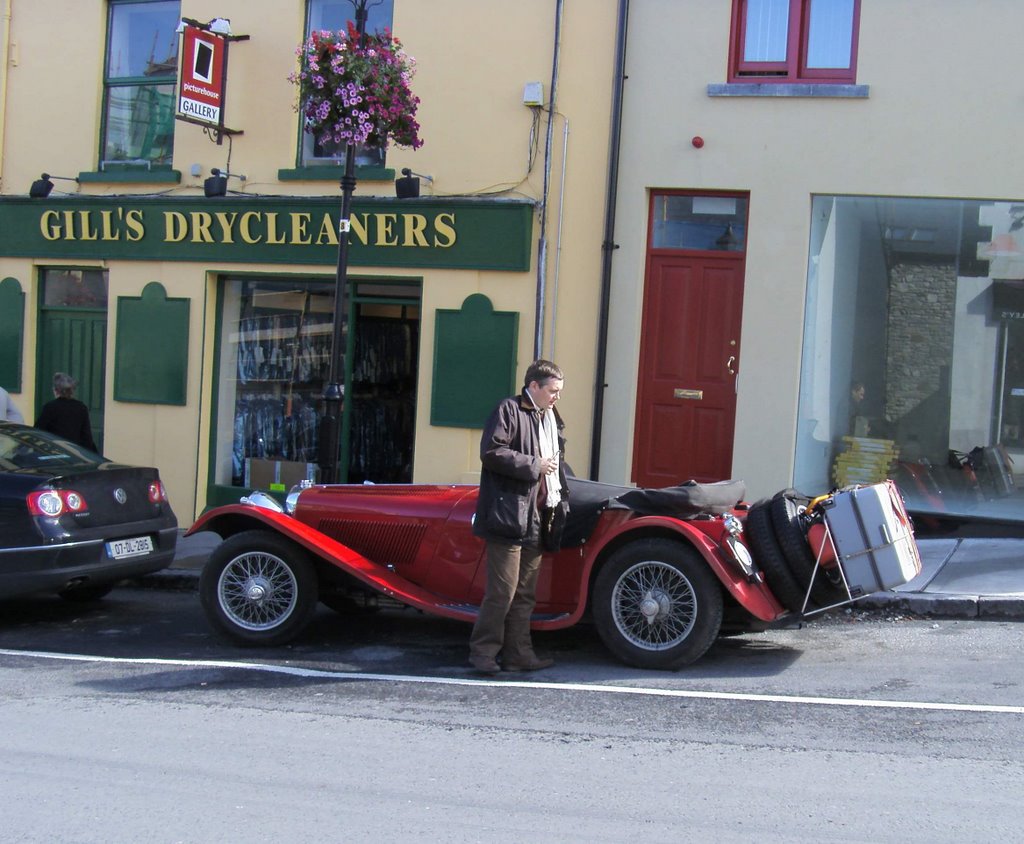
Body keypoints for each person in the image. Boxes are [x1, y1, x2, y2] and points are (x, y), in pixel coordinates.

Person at [469, 359, 570, 674]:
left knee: (525, 592)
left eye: (559, 392)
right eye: (553, 391)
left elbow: (556, 461)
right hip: (509, 513)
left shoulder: (549, 416)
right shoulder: (509, 410)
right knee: (502, 591)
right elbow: (491, 452)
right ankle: (483, 654)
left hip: (537, 514)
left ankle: (518, 654)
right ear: (535, 386)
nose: (556, 398)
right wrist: (534, 465)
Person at [35, 372, 98, 452]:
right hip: (76, 453)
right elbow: (87, 436)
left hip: (55, 452)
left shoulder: (50, 407)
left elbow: (38, 431)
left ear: (56, 390)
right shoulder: (81, 407)